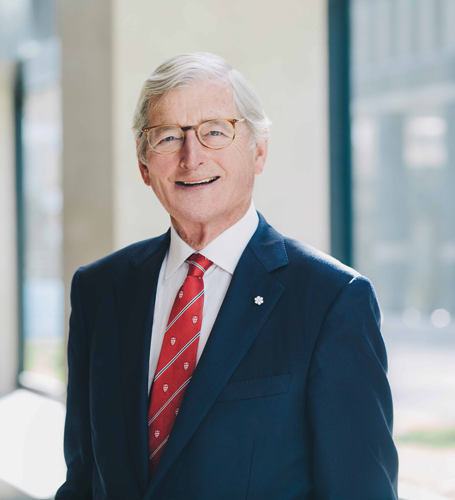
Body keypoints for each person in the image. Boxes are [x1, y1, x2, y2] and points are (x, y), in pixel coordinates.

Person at [55, 52, 398, 500]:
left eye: (215, 131)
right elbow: (82, 481)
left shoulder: (332, 300)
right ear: (143, 165)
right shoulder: (99, 290)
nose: (191, 156)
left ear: (259, 151)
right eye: (167, 137)